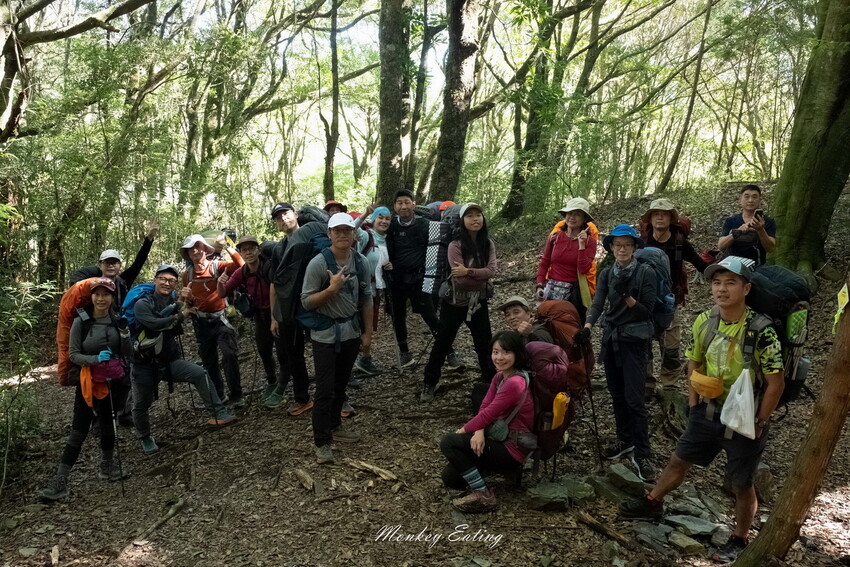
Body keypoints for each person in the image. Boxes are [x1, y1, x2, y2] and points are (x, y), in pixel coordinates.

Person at [620, 256, 784, 563]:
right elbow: (694, 360)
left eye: (730, 283)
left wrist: (761, 420)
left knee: (742, 482)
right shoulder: (705, 321)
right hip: (707, 412)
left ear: (746, 288)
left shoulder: (762, 331)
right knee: (678, 460)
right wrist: (693, 403)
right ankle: (653, 501)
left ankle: (740, 537)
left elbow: (776, 382)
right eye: (716, 283)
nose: (722, 290)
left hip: (745, 418)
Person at [38, 278, 131, 502]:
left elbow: (127, 352)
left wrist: (125, 333)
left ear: (112, 297)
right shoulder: (82, 322)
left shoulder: (118, 320)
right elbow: (73, 355)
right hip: (88, 381)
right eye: (97, 294)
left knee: (109, 425)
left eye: (106, 294)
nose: (101, 298)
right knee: (79, 429)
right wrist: (95, 359)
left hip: (112, 380)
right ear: (91, 297)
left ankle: (107, 467)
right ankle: (60, 481)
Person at [579, 224, 657, 481]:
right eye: (618, 245)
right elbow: (599, 302)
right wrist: (588, 327)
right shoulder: (606, 273)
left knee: (635, 399)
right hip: (611, 338)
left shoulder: (646, 272)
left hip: (634, 342)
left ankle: (644, 453)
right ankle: (625, 440)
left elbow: (647, 311)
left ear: (634, 248)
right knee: (617, 394)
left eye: (627, 245)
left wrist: (627, 297)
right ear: (611, 248)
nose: (622, 249)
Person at [132, 264, 236, 454]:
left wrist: (187, 305)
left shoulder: (173, 301)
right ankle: (145, 437)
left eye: (171, 281)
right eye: (163, 279)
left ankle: (219, 413)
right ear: (155, 280)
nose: (166, 283)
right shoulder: (142, 304)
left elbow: (183, 312)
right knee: (141, 404)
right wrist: (182, 314)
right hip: (144, 365)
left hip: (169, 361)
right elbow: (155, 324)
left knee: (199, 373)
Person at [301, 213, 373, 464]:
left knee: (341, 384)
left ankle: (335, 426)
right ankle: (322, 441)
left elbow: (366, 297)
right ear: (329, 234)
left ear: (355, 234)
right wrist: (331, 290)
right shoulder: (319, 263)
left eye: (348, 230)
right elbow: (307, 301)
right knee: (325, 388)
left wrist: (368, 332)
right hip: (325, 335)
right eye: (338, 231)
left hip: (351, 332)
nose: (343, 235)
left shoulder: (361, 262)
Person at [439, 331, 535, 512]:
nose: (499, 357)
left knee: (449, 442)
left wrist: (463, 431)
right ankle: (484, 470)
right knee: (451, 478)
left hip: (513, 449)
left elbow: (488, 413)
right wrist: (479, 431)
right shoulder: (500, 376)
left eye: (506, 352)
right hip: (497, 439)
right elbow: (485, 405)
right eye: (495, 352)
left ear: (517, 353)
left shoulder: (515, 383)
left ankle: (483, 494)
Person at [421, 203, 497, 403]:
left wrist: (469, 271)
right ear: (462, 221)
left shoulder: (487, 244)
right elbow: (460, 279)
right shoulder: (455, 245)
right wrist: (478, 276)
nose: (475, 219)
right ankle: (429, 382)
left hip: (478, 302)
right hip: (453, 303)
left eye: (478, 215)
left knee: (484, 343)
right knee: (443, 344)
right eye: (470, 215)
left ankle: (490, 382)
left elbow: (492, 271)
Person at [639, 198, 709, 391]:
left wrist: (721, 272)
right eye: (655, 214)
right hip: (644, 301)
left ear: (671, 219)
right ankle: (647, 383)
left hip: (670, 301)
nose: (660, 217)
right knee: (644, 342)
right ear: (650, 219)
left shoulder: (680, 243)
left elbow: (700, 264)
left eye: (664, 214)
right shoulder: (642, 242)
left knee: (671, 345)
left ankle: (670, 385)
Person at [386, 189, 459, 368]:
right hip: (395, 280)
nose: (403, 206)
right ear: (394, 206)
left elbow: (442, 247)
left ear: (414, 203)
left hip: (418, 279)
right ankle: (404, 353)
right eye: (399, 203)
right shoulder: (390, 226)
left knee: (431, 316)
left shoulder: (426, 224)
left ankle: (448, 352)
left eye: (406, 202)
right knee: (398, 317)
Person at [216, 235, 283, 406]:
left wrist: (275, 318)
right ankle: (272, 381)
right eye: (244, 250)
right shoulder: (242, 272)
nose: (248, 252)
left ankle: (283, 386)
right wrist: (220, 283)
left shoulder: (268, 267)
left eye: (251, 248)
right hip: (260, 317)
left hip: (278, 314)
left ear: (258, 250)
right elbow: (223, 293)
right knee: (264, 351)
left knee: (284, 352)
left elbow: (277, 290)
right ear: (241, 253)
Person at [180, 234, 245, 407]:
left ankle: (237, 395)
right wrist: (187, 303)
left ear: (205, 249)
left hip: (221, 319)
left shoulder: (218, 266)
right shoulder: (187, 275)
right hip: (200, 323)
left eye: (198, 246)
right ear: (187, 253)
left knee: (229, 354)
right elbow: (188, 300)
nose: (194, 250)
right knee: (209, 360)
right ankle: (219, 395)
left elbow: (241, 266)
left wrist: (227, 247)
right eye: (190, 249)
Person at [268, 202, 315, 416]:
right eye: (278, 217)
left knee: (327, 349)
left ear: (295, 214)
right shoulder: (279, 249)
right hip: (290, 308)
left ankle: (338, 397)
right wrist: (274, 316)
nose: (283, 219)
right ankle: (302, 398)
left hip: (317, 302)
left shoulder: (312, 237)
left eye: (286, 214)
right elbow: (275, 283)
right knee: (294, 355)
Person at [535, 197, 598, 323]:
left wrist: (581, 245)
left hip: (573, 294)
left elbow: (584, 269)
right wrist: (539, 285)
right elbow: (544, 263)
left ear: (584, 218)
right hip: (550, 290)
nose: (572, 218)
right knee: (545, 327)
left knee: (570, 331)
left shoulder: (590, 242)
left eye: (577, 214)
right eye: (569, 213)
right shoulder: (555, 237)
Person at [69, 220, 159, 305]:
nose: (111, 265)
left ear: (119, 265)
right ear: (100, 265)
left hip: (117, 319)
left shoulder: (123, 282)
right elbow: (75, 283)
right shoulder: (92, 280)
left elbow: (138, 263)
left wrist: (149, 239)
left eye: (114, 262)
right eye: (107, 262)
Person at [353, 205, 391, 375]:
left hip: (375, 290)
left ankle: (365, 360)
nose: (384, 221)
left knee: (367, 329)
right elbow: (350, 228)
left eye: (387, 218)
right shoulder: (365, 235)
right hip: (359, 291)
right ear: (374, 219)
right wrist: (364, 214)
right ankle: (347, 367)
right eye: (380, 217)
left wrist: (390, 266)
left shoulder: (388, 239)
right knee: (356, 328)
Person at [717, 184, 776, 267]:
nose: (750, 200)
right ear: (740, 199)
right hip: (733, 266)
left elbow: (770, 248)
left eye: (754, 197)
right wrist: (737, 232)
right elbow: (721, 246)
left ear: (760, 200)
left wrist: (760, 230)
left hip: (757, 267)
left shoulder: (768, 221)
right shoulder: (731, 221)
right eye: (746, 196)